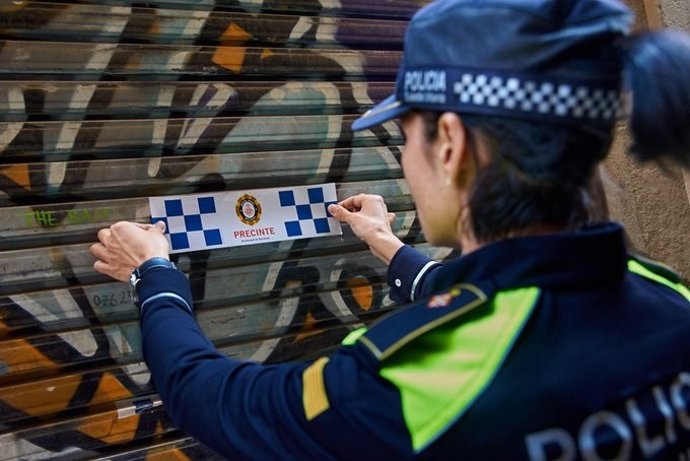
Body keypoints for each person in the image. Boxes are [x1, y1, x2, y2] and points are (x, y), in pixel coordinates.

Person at [90, 0, 690, 459]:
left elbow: (215, 399)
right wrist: (385, 243)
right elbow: (502, 305)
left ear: (449, 144)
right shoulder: (667, 298)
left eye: (406, 136)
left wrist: (155, 273)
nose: (404, 159)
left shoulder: (407, 386)